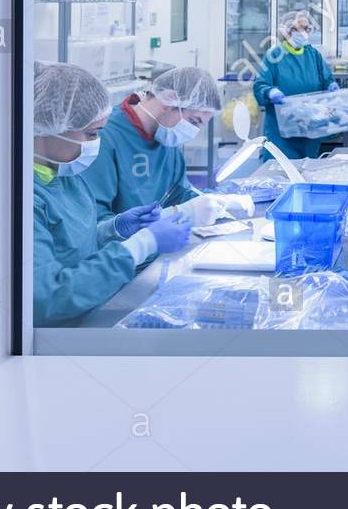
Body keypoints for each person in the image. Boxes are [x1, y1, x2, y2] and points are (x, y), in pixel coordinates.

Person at [31, 62, 194, 326]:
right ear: (48, 127)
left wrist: (115, 229)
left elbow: (72, 248)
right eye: (91, 133)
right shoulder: (24, 198)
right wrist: (141, 245)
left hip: (90, 310)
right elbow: (47, 298)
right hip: (56, 334)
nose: (95, 144)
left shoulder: (65, 176)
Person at [83, 66, 235, 225]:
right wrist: (146, 232)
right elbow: (95, 221)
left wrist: (210, 203)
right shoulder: (106, 136)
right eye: (193, 121)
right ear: (169, 100)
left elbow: (178, 193)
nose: (192, 131)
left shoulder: (166, 135)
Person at [253, 10, 337, 159]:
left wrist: (331, 85)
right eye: (297, 29)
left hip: (309, 128)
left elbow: (327, 79)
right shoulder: (274, 55)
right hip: (282, 131)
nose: (302, 33)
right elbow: (260, 84)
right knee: (279, 168)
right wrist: (270, 92)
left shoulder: (313, 55)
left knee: (306, 167)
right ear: (287, 31)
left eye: (306, 29)